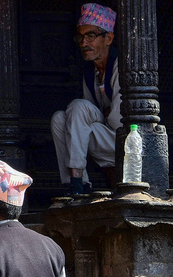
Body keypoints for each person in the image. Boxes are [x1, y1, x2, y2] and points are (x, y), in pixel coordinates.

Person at [50, 4, 121, 197]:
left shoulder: (120, 67)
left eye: (91, 35)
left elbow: (116, 121)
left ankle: (77, 180)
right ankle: (76, 183)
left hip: (123, 141)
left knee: (78, 107)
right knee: (58, 118)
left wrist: (98, 116)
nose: (83, 43)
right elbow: (89, 112)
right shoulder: (91, 71)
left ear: (109, 38)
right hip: (103, 134)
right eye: (81, 37)